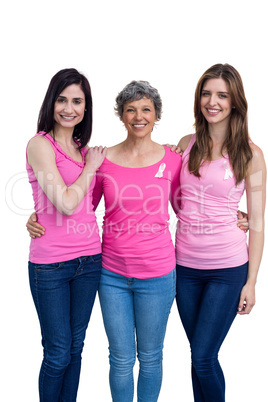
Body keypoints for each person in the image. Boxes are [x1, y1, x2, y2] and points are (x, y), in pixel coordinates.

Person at [28, 80, 182, 402]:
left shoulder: (173, 158)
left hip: (157, 273)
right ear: (121, 116)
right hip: (110, 272)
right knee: (120, 358)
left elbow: (189, 203)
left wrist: (236, 215)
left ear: (156, 116)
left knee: (151, 357)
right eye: (130, 110)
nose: (138, 116)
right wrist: (35, 216)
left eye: (146, 110)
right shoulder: (102, 160)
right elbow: (80, 205)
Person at [174, 63, 266, 402]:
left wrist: (252, 281)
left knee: (203, 357)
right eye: (207, 93)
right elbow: (167, 197)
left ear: (235, 102)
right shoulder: (185, 144)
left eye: (222, 95)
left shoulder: (251, 155)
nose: (212, 102)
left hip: (227, 270)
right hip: (183, 267)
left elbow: (257, 222)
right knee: (199, 357)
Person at [26, 68, 107, 402]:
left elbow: (90, 202)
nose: (69, 108)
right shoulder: (39, 145)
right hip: (51, 267)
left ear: (85, 108)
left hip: (89, 260)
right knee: (58, 352)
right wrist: (90, 168)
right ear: (51, 102)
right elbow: (66, 203)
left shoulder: (81, 149)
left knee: (75, 349)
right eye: (62, 99)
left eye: (77, 101)